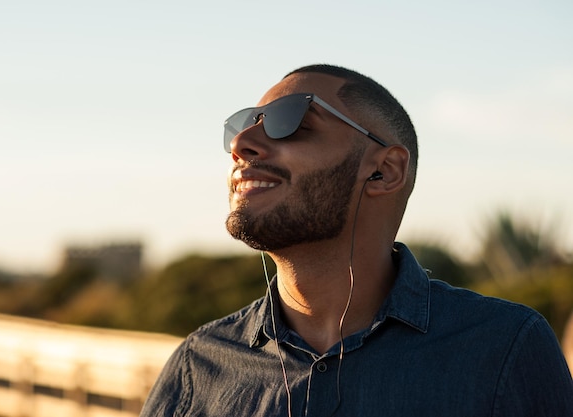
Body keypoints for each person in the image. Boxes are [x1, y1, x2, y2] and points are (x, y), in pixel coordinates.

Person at [140, 64, 573, 416]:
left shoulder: (503, 350)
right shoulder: (198, 366)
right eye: (241, 125)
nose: (241, 143)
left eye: (289, 121)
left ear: (384, 171)